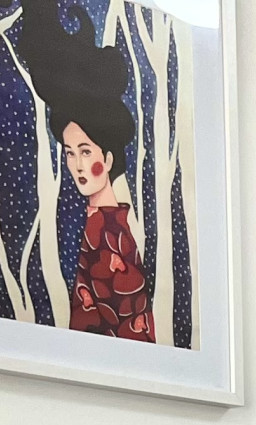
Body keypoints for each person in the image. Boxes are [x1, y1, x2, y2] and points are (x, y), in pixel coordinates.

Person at [22, 4, 152, 342]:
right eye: (69, 153)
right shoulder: (97, 223)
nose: (77, 165)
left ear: (107, 158)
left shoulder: (110, 232)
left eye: (85, 152)